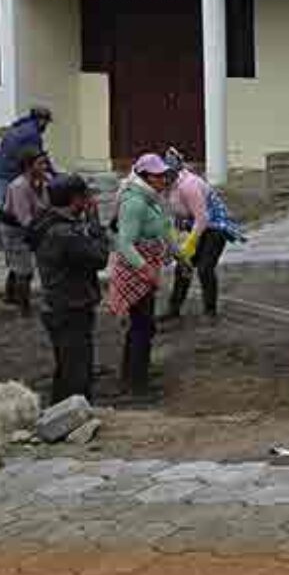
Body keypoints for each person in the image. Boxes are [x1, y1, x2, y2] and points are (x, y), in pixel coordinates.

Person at [105, 153, 180, 400]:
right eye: (158, 176)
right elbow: (125, 243)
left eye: (164, 175)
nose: (163, 179)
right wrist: (146, 269)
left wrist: (178, 253)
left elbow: (164, 228)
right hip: (134, 271)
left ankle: (134, 376)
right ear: (145, 176)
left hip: (146, 266)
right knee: (142, 326)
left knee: (143, 326)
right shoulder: (134, 202)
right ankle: (136, 383)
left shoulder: (151, 198)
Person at [29, 174, 110, 404]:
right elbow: (99, 258)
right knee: (78, 373)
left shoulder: (46, 222)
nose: (90, 201)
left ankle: (57, 412)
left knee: (66, 368)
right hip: (71, 307)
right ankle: (76, 416)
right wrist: (95, 225)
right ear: (75, 199)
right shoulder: (65, 234)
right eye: (86, 196)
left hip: (56, 304)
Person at [159, 148, 244, 323]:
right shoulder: (166, 188)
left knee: (205, 267)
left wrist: (190, 244)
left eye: (164, 175)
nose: (161, 179)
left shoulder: (189, 185)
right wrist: (172, 248)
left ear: (173, 173)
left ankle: (210, 311)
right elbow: (175, 219)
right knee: (183, 266)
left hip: (214, 225)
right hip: (193, 224)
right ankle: (174, 309)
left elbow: (202, 219)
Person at [0, 149, 52, 315]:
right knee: (24, 269)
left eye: (45, 163)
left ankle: (10, 297)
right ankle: (24, 309)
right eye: (40, 163)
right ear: (28, 166)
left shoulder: (43, 181)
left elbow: (46, 205)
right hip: (14, 230)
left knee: (17, 264)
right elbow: (24, 219)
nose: (45, 167)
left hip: (29, 225)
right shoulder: (19, 186)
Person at [0, 106, 52, 213]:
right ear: (41, 121)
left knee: (6, 211)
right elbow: (38, 158)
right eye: (46, 123)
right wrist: (53, 175)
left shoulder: (18, 126)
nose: (46, 127)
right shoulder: (32, 134)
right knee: (9, 214)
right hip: (5, 177)